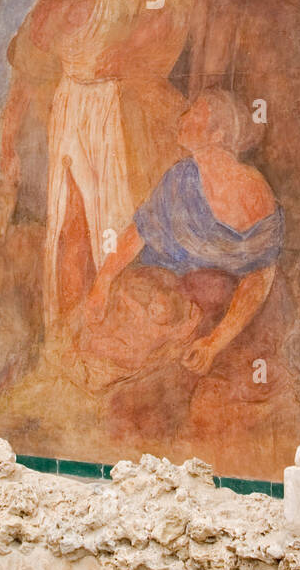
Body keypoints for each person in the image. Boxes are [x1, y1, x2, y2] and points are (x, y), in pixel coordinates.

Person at [0, 0, 192, 329]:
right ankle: (69, 332)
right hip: (71, 110)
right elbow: (26, 76)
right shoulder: (48, 4)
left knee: (117, 215)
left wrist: (129, 47)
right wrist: (8, 142)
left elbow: (174, 2)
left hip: (115, 107)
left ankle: (114, 322)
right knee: (70, 222)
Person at [85, 89, 283, 375]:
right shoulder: (181, 177)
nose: (183, 118)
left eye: (195, 113)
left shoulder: (252, 192)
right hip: (161, 291)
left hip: (211, 311)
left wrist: (215, 342)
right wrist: (102, 282)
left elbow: (259, 276)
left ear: (217, 134)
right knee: (103, 336)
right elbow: (139, 231)